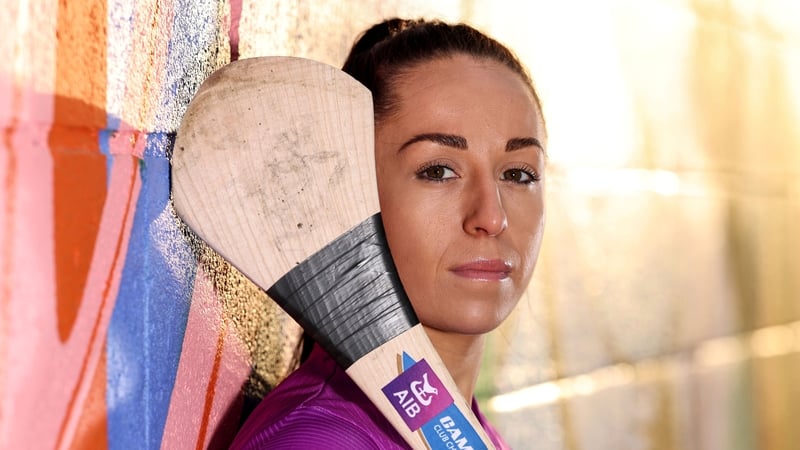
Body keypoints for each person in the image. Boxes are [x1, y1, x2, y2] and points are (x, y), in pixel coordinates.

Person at [230, 17, 546, 449]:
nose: (491, 216)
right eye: (438, 171)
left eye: (518, 173)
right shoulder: (318, 442)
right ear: (355, 197)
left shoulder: (469, 432)